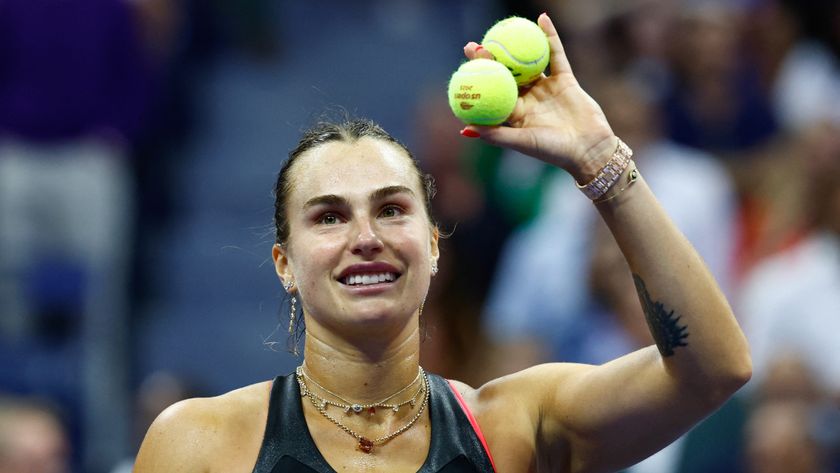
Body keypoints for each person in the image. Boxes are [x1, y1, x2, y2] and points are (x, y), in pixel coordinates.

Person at [134, 13, 751, 473]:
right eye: (328, 217)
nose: (366, 237)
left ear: (433, 246)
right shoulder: (200, 444)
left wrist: (601, 163)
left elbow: (714, 370)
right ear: (284, 265)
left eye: (392, 209)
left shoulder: (515, 426)